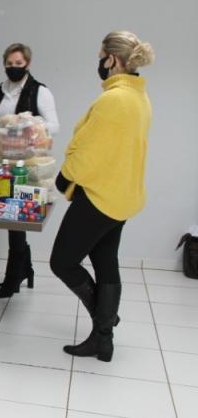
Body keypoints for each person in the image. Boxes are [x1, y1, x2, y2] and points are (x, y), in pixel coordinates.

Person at [50, 31, 154, 362]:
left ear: (112, 59)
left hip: (98, 196)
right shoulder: (140, 98)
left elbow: (88, 151)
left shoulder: (113, 100)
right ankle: (103, 339)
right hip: (122, 196)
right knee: (106, 262)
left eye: (100, 56)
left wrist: (64, 176)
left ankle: (105, 320)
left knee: (62, 262)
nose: (99, 62)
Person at [0, 43, 60, 298]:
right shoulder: (2, 90)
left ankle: (14, 275)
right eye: (9, 64)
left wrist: (25, 127)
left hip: (29, 165)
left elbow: (54, 125)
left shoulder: (40, 91)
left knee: (18, 216)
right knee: (10, 214)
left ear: (27, 64)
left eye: (18, 63)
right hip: (4, 162)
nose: (13, 68)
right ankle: (23, 269)